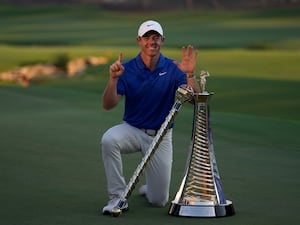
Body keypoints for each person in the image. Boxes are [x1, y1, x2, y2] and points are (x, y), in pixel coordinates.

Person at [100, 20, 200, 215]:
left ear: (162, 40)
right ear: (139, 40)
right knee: (109, 139)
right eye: (147, 38)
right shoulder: (126, 69)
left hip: (161, 136)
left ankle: (149, 187)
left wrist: (190, 74)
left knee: (158, 200)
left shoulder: (173, 68)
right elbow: (108, 104)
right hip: (132, 130)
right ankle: (116, 198)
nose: (151, 42)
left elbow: (194, 100)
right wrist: (113, 79)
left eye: (155, 38)